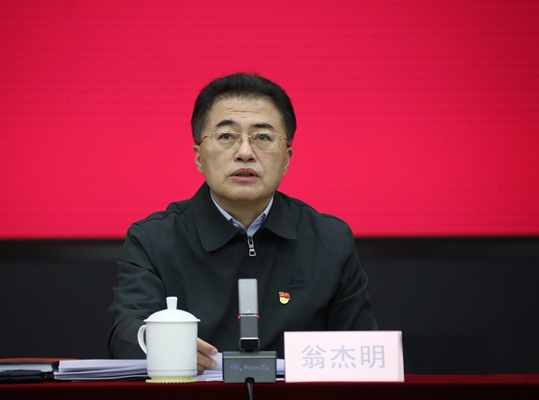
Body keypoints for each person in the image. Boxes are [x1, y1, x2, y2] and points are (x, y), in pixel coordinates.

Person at [108, 73, 377, 371]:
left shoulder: (330, 240)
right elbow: (126, 335)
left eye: (263, 137)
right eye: (226, 136)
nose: (245, 153)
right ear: (199, 157)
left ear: (287, 159)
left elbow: (363, 353)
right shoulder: (153, 240)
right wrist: (158, 343)